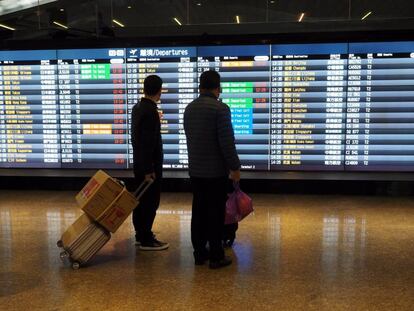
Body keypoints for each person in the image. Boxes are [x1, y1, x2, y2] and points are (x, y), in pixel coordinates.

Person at [184, 70, 241, 269]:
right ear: (218, 87)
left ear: (200, 87)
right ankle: (216, 256)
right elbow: (227, 143)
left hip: (196, 171)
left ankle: (199, 253)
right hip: (215, 172)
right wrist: (235, 167)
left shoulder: (189, 109)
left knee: (198, 210)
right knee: (216, 213)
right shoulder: (220, 109)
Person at [131, 75, 169, 251]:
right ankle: (146, 238)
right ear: (159, 90)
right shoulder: (151, 112)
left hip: (139, 164)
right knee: (150, 202)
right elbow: (148, 143)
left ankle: (141, 234)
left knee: (139, 201)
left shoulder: (138, 107)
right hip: (149, 168)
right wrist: (149, 169)